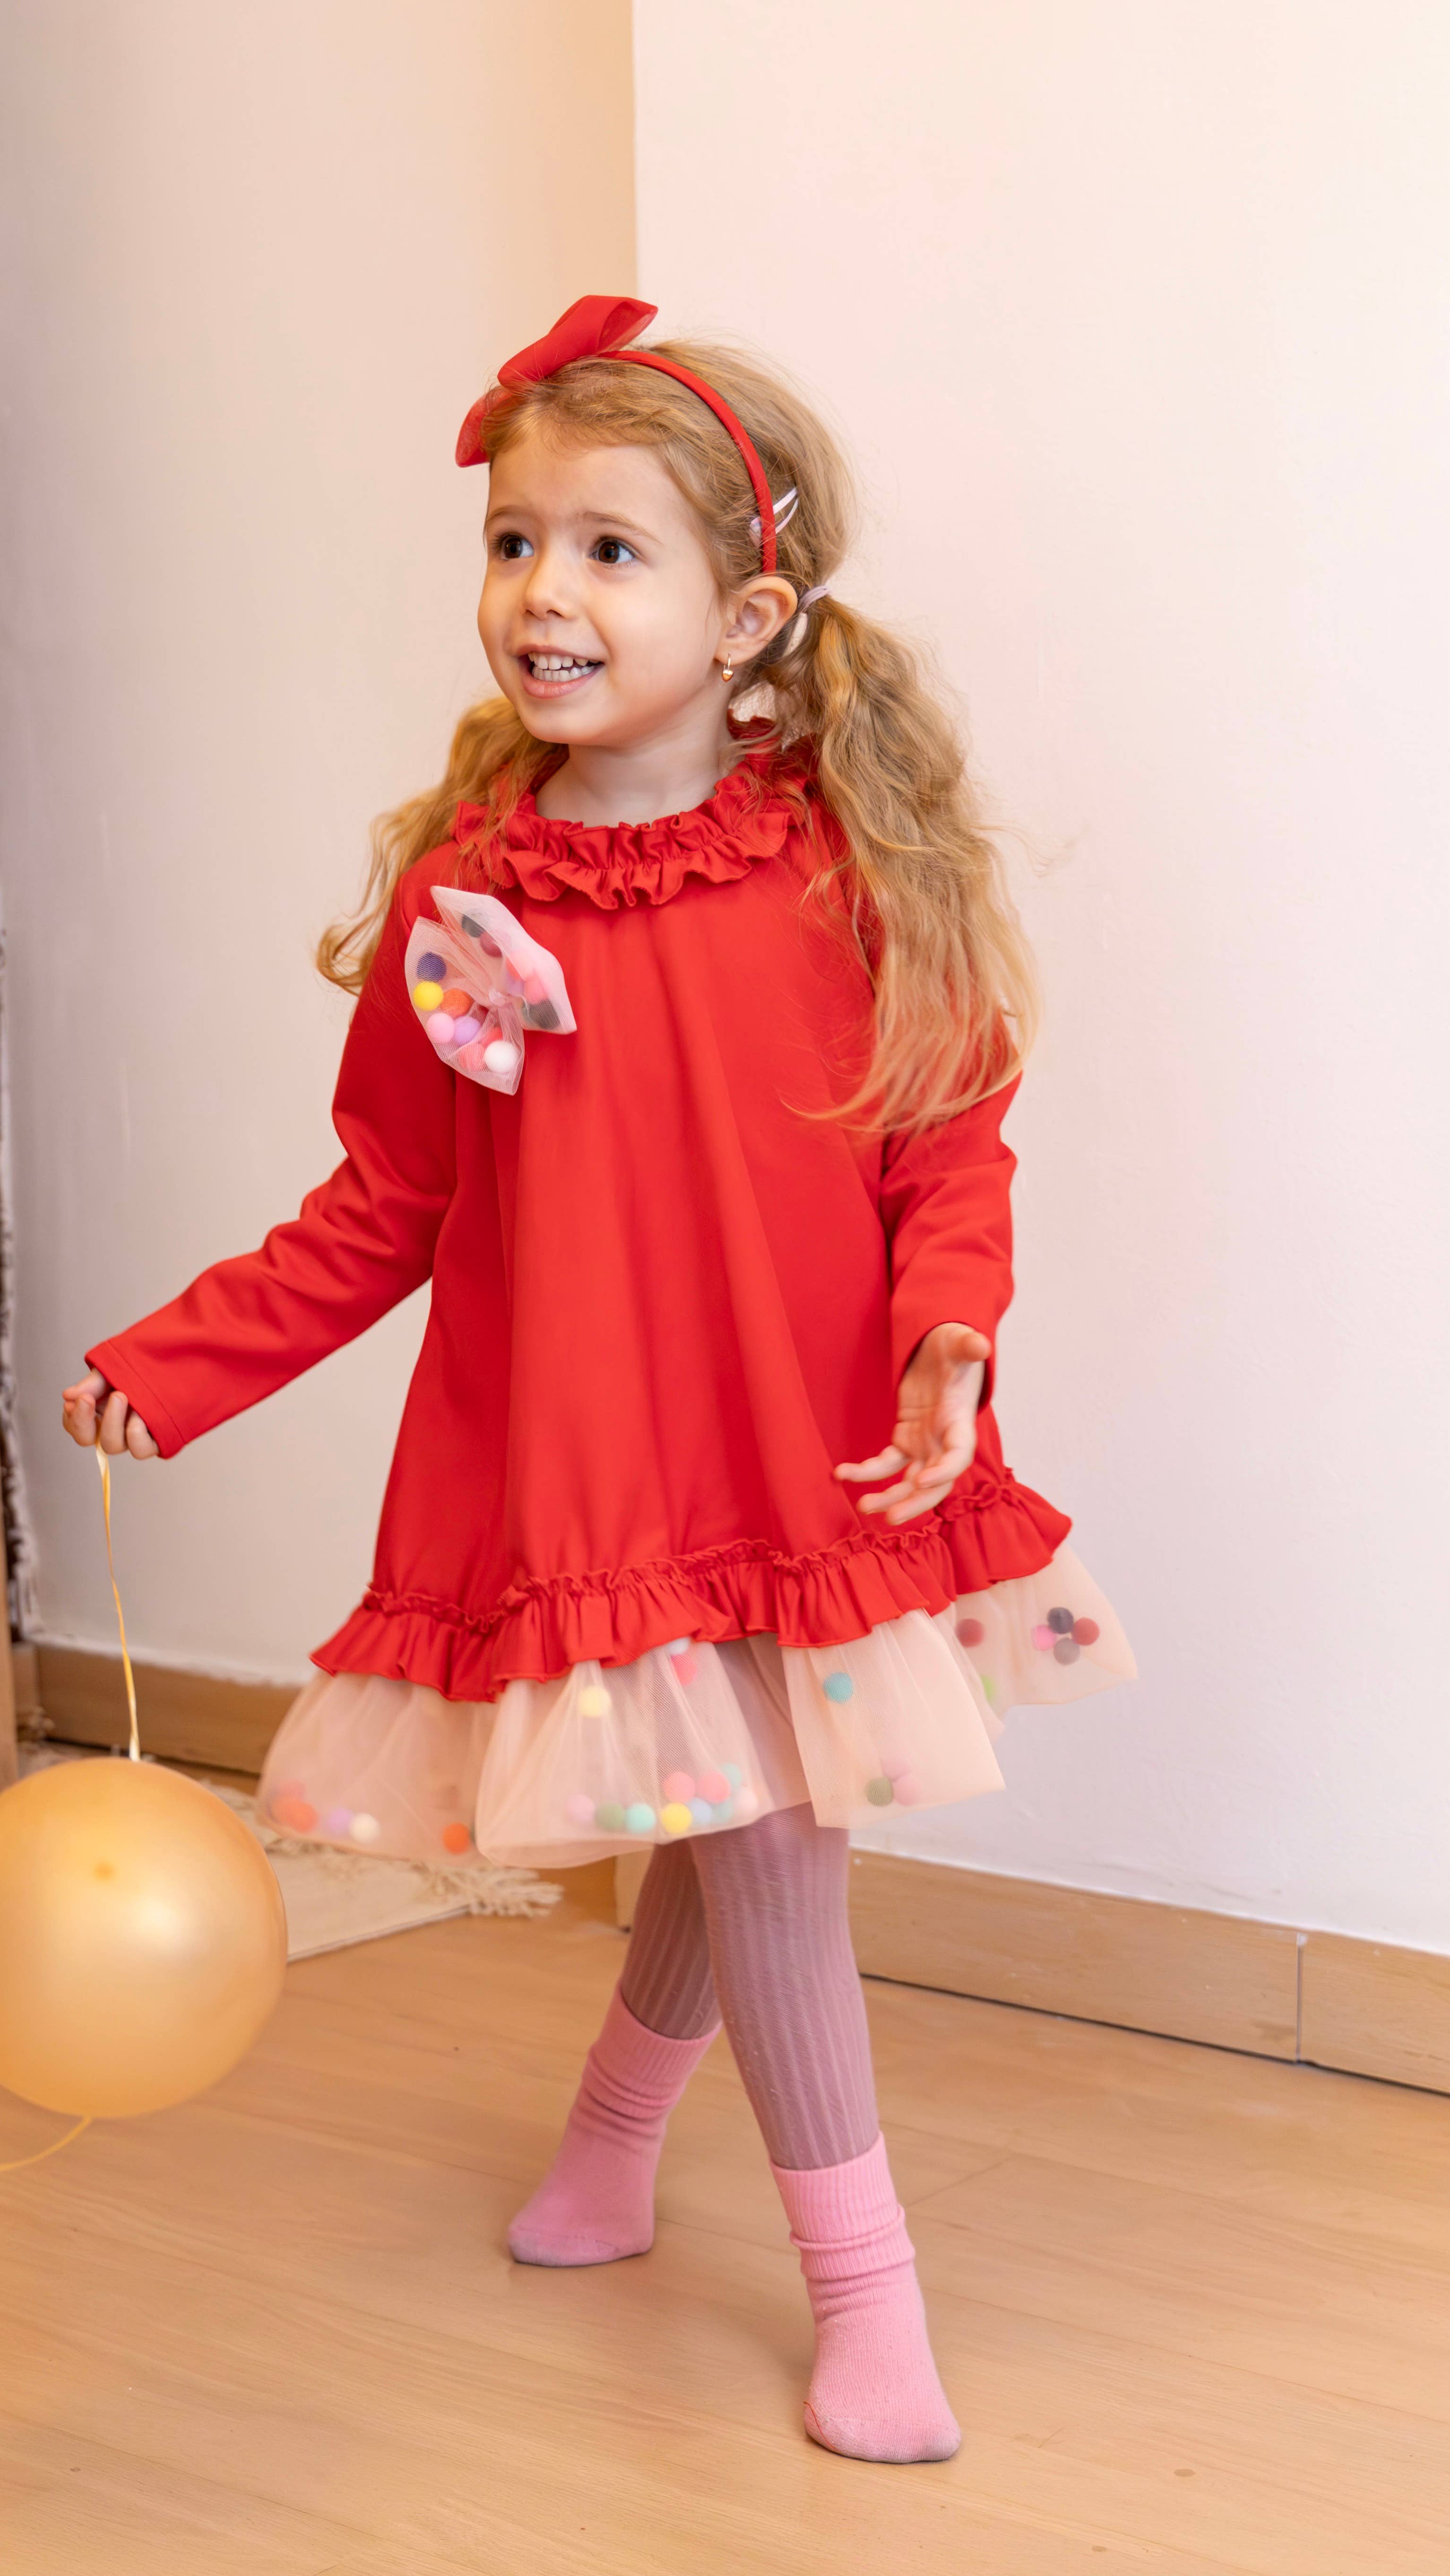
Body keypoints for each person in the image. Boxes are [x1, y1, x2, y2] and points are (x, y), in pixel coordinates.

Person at [62, 296, 1133, 2464]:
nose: (540, 589)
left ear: (745, 616)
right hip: (601, 1483)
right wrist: (176, 1365)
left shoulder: (842, 866)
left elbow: (948, 1138)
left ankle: (815, 2267)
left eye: (606, 549)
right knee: (727, 1829)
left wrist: (948, 1327)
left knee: (754, 1837)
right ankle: (663, 2174)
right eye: (512, 540)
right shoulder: (469, 896)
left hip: (809, 1465)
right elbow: (387, 1201)